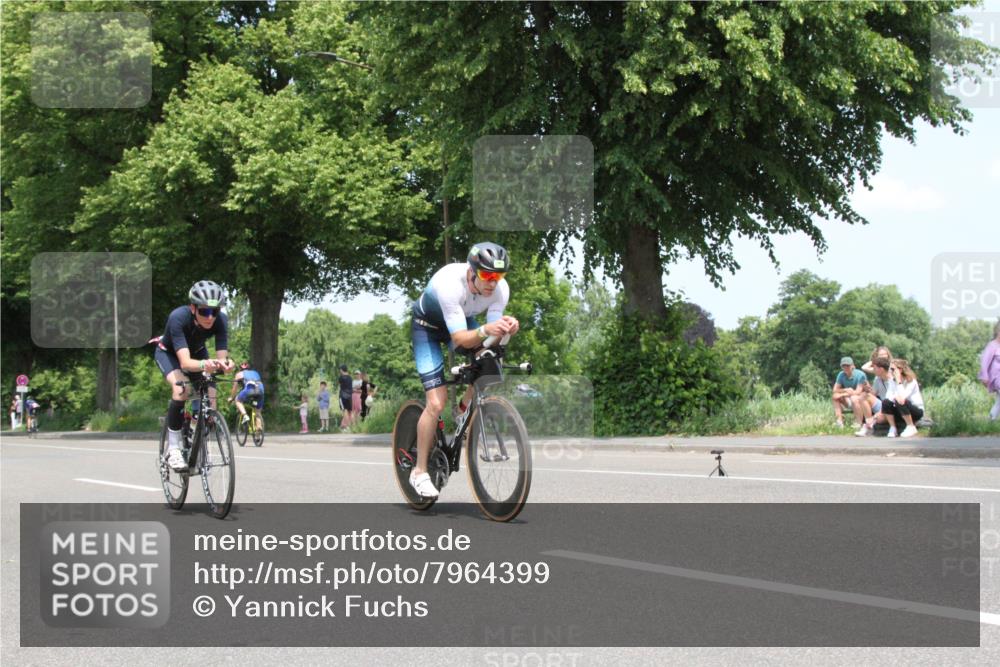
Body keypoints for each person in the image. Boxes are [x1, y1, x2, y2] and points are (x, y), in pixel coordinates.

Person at [408, 242, 520, 498]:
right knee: (436, 403)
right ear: (472, 271)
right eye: (487, 276)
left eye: (498, 276)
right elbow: (459, 339)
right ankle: (420, 472)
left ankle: (463, 411)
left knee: (489, 361)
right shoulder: (450, 284)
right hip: (427, 328)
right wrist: (485, 330)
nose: (493, 283)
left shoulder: (500, 290)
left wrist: (507, 329)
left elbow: (491, 338)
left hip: (459, 321)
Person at [152, 280, 233, 471]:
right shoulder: (178, 318)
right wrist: (207, 364)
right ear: (192, 307)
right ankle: (173, 449)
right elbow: (185, 363)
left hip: (197, 352)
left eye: (215, 311)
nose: (210, 317)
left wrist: (226, 364)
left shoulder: (220, 320)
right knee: (182, 388)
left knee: (211, 399)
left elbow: (222, 358)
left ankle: (194, 434)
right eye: (205, 311)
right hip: (170, 354)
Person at [883, 359, 924, 438]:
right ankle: (893, 428)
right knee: (886, 402)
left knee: (901, 401)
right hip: (900, 409)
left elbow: (903, 397)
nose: (890, 371)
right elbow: (888, 396)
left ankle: (911, 426)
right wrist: (895, 397)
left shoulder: (911, 381)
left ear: (900, 370)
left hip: (915, 410)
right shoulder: (892, 381)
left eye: (892, 369)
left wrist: (899, 381)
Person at [858, 357, 897, 437]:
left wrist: (878, 414)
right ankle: (868, 423)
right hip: (883, 405)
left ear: (881, 369)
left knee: (880, 416)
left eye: (874, 368)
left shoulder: (893, 379)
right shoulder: (878, 379)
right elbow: (873, 394)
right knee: (863, 396)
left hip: (892, 407)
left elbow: (893, 400)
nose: (873, 370)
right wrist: (867, 389)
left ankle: (870, 424)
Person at [831, 356, 872, 429]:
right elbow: (835, 389)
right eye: (844, 366)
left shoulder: (860, 374)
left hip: (860, 399)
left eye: (848, 365)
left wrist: (847, 393)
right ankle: (839, 421)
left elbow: (858, 391)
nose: (846, 368)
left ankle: (858, 422)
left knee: (854, 398)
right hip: (848, 398)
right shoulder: (841, 375)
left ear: (852, 366)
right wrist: (845, 390)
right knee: (835, 396)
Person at [228, 361, 264, 427]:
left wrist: (231, 397)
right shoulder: (256, 373)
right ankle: (259, 428)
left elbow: (234, 389)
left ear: (240, 368)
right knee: (258, 412)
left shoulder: (239, 374)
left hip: (250, 390)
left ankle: (245, 415)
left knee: (238, 400)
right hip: (261, 390)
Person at [979, 319, 1000, 421]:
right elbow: (984, 361)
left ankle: (991, 421)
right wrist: (984, 376)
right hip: (996, 377)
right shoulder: (992, 345)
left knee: (999, 402)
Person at [338, 365, 353, 430]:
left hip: (343, 396)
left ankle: (346, 426)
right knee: (349, 411)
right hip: (349, 396)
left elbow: (339, 384)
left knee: (344, 411)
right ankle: (350, 426)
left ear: (341, 370)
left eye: (340, 370)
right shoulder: (350, 377)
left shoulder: (341, 377)